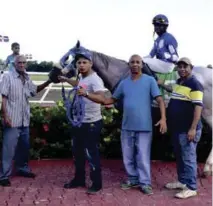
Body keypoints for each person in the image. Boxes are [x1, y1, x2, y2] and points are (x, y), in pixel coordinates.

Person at [77, 54, 167, 195]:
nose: (135, 64)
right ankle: (132, 179)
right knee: (128, 156)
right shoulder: (124, 83)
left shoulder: (149, 80)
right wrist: (87, 94)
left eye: (138, 62)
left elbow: (160, 100)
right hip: (126, 127)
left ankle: (145, 183)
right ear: (129, 65)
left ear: (142, 65)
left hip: (144, 127)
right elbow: (108, 100)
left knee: (143, 156)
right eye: (132, 62)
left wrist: (163, 119)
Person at [58, 50, 106, 194]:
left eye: (85, 62)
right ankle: (79, 179)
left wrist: (86, 94)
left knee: (91, 154)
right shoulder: (82, 78)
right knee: (78, 153)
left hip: (91, 123)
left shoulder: (95, 79)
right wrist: (66, 80)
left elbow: (101, 98)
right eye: (79, 63)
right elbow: (79, 84)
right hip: (79, 122)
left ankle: (96, 183)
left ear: (91, 63)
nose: (81, 65)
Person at [0, 55, 51, 187]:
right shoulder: (7, 77)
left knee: (23, 147)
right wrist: (5, 116)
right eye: (19, 63)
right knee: (8, 149)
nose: (22, 65)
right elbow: (3, 98)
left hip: (24, 120)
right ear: (14, 64)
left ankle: (22, 169)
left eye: (24, 62)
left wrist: (49, 81)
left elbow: (35, 91)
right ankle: (3, 176)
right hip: (13, 119)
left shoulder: (26, 77)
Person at [164, 57, 204, 199]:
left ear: (191, 68)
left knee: (188, 159)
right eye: (179, 66)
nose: (182, 69)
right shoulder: (179, 83)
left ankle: (192, 187)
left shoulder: (195, 84)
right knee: (181, 157)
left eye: (185, 66)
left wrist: (193, 128)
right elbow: (172, 90)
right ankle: (182, 181)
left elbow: (198, 108)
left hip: (188, 129)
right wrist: (160, 83)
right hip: (177, 129)